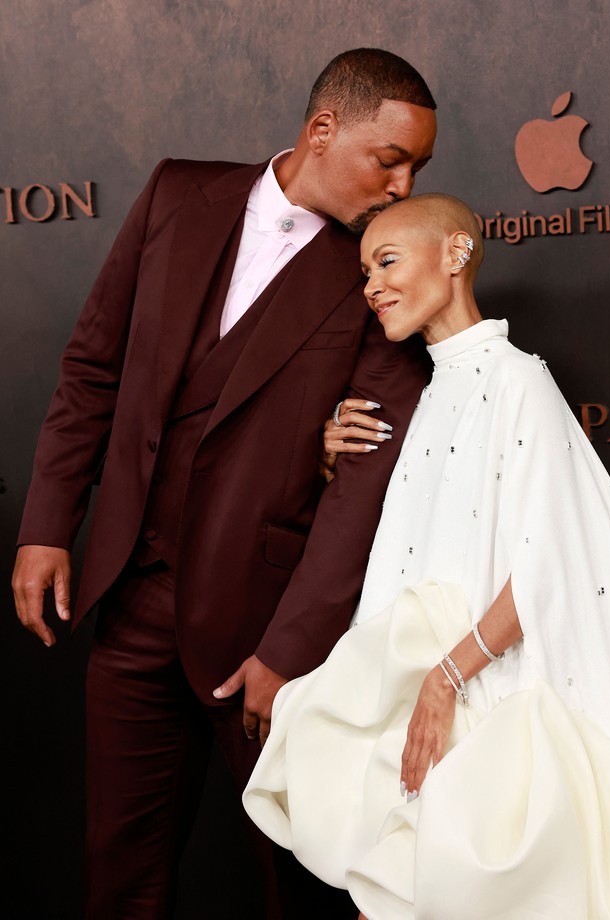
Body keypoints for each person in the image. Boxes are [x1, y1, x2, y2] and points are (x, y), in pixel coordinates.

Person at [11, 49, 438, 919]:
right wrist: (46, 523)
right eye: (388, 160)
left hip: (266, 634)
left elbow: (363, 487)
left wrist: (289, 652)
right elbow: (94, 367)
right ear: (322, 130)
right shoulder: (175, 194)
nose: (402, 187)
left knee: (307, 882)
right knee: (120, 875)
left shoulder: (378, 273)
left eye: (417, 170)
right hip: (130, 600)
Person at [243, 194, 610, 919]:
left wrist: (446, 679)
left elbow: (550, 567)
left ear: (455, 254)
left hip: (486, 700)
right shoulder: (430, 390)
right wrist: (327, 453)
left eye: (387, 261)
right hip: (426, 697)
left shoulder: (517, 379)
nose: (371, 287)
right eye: (365, 272)